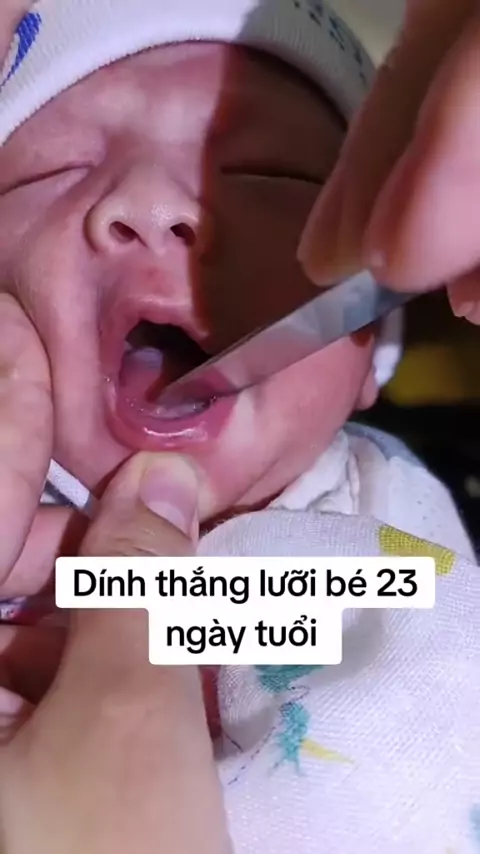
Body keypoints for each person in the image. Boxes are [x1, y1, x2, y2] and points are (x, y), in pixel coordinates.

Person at [0, 1, 479, 852]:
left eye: (268, 175)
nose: (152, 201)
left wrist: (173, 608)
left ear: (369, 352)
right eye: (54, 168)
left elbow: (437, 682)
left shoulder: (375, 509)